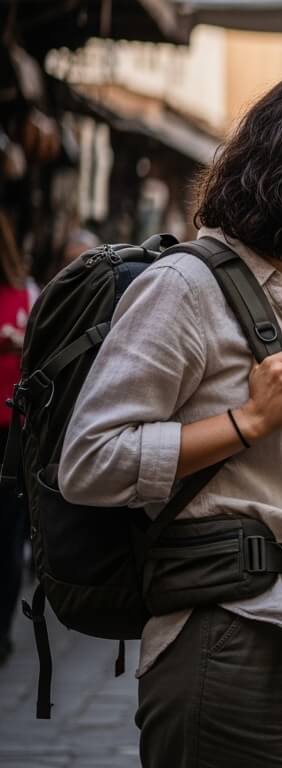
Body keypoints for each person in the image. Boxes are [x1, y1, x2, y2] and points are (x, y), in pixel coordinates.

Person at [58, 70, 282, 766]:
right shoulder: (186, 287)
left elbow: (278, 470)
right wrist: (246, 420)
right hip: (233, 635)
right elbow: (89, 461)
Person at [0, 212, 32, 667]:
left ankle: (1, 630)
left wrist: (20, 340)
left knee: (7, 534)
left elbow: (44, 351)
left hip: (12, 431)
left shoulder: (27, 294)